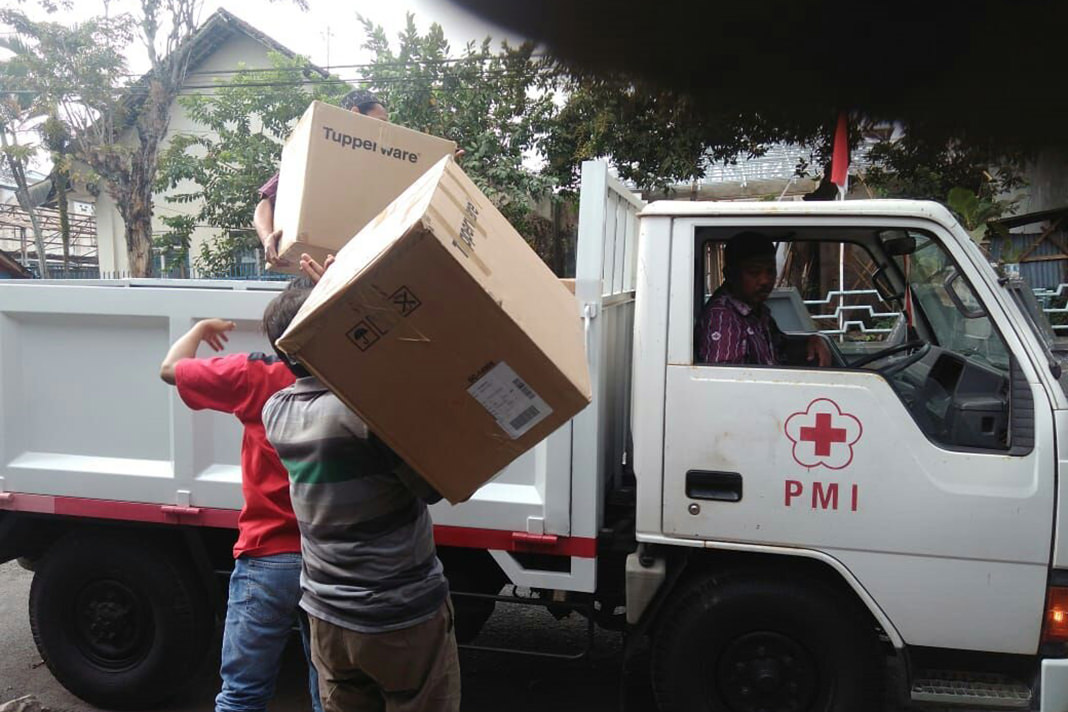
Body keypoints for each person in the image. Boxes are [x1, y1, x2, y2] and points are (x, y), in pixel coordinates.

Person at [261, 285, 460, 712]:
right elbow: (434, 487)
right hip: (399, 616)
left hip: (327, 616)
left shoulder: (276, 411)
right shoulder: (367, 413)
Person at [159, 279, 324, 712]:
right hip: (329, 561)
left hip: (266, 556)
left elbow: (169, 370)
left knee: (242, 694)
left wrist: (197, 332)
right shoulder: (350, 379)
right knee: (330, 692)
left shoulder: (253, 374)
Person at [253, 89, 390, 269]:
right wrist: (267, 239)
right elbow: (265, 202)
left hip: (364, 264)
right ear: (355, 113)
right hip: (313, 267)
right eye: (381, 122)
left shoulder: (387, 163)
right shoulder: (315, 154)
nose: (386, 130)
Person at [698, 231, 831, 367]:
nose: (765, 280)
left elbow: (780, 345)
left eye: (771, 271)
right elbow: (727, 383)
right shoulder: (723, 319)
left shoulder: (756, 310)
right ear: (730, 274)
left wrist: (812, 340)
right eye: (754, 272)